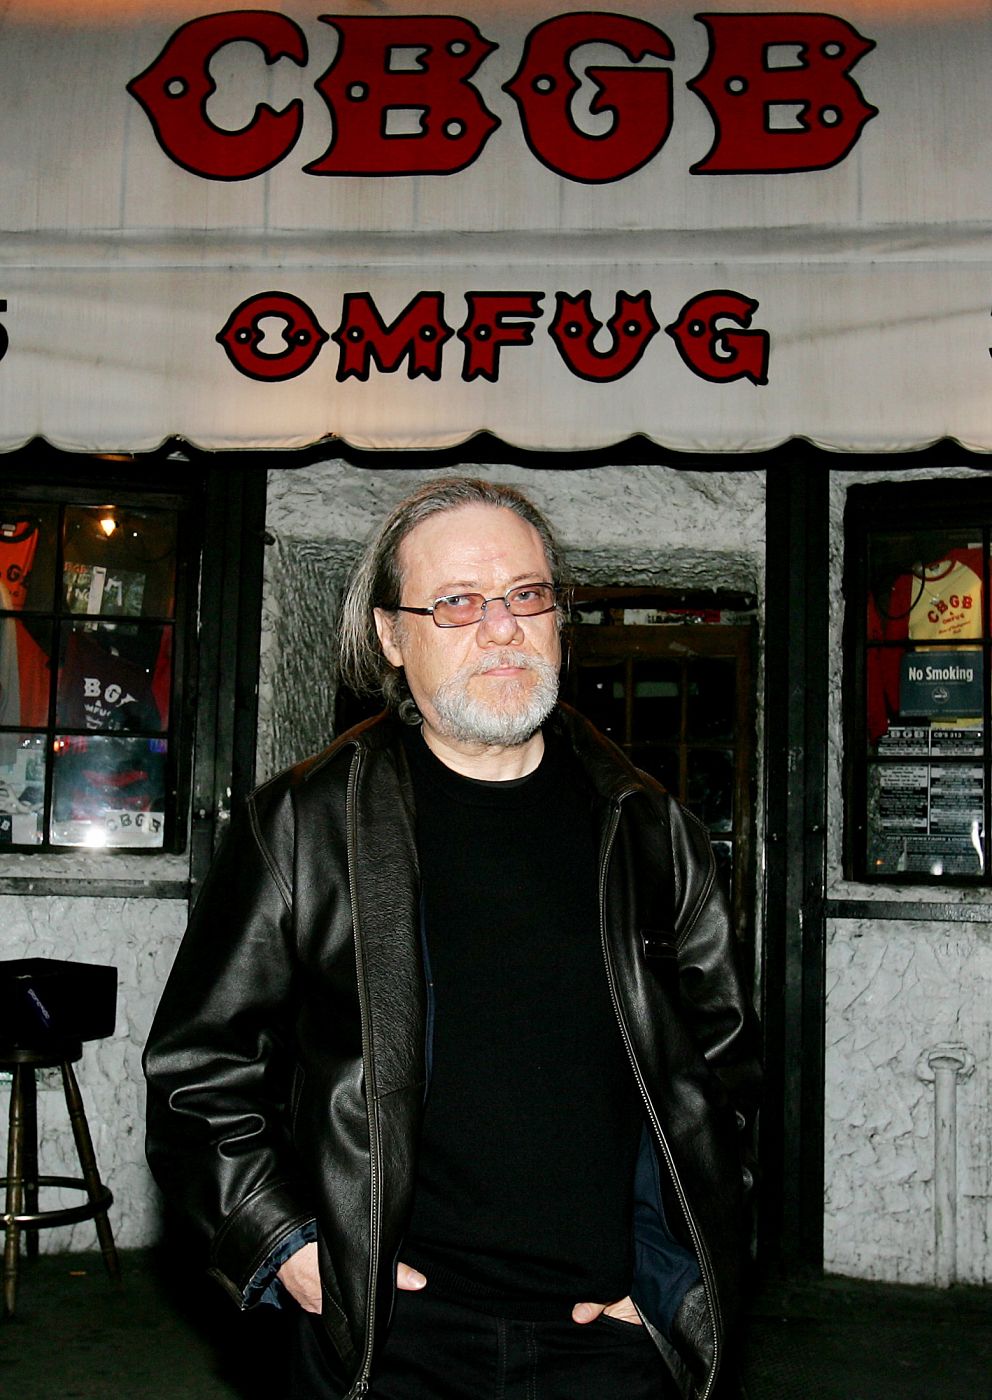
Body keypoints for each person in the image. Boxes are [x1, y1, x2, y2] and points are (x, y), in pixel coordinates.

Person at [144, 477, 761, 1400]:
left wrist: (670, 1269)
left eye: (526, 595)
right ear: (392, 636)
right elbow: (200, 1068)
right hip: (391, 1344)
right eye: (458, 602)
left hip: (612, 1341)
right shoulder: (308, 825)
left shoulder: (646, 828)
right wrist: (286, 1245)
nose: (502, 627)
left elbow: (724, 1070)